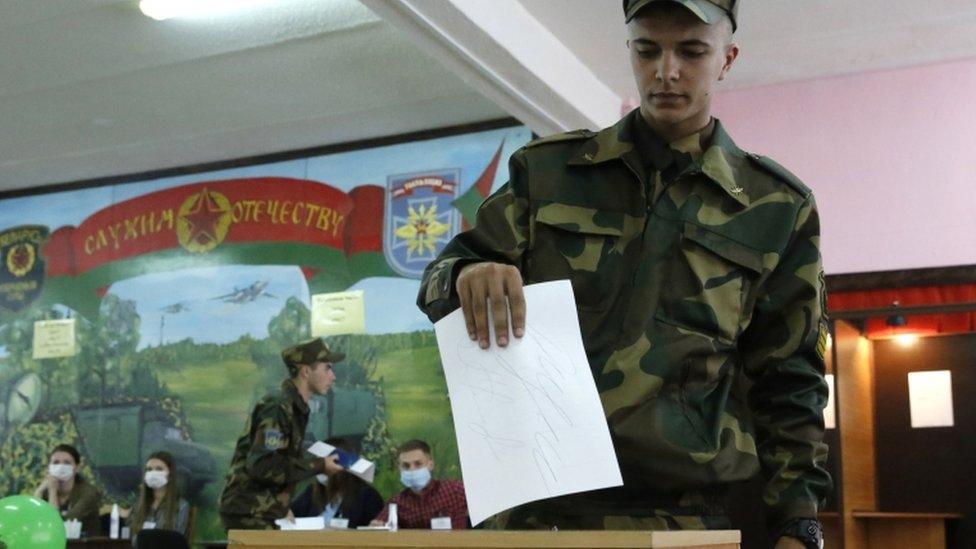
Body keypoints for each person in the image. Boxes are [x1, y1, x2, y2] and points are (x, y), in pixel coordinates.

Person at [417, 1, 831, 547]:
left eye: (691, 50)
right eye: (647, 49)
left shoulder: (775, 207)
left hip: (681, 515)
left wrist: (799, 522)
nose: (666, 71)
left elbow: (790, 379)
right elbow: (438, 281)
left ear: (726, 59)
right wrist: (468, 272)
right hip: (535, 511)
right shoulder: (547, 173)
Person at [219, 337, 346, 530]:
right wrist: (320, 465)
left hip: (263, 511)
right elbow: (263, 465)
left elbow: (280, 458)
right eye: (327, 368)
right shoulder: (279, 407)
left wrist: (281, 507)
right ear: (305, 371)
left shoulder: (295, 407)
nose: (333, 376)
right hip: (250, 512)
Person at [370, 439, 468, 530]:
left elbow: (482, 503)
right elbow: (377, 528)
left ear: (430, 465)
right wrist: (376, 527)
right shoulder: (397, 503)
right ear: (399, 469)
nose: (412, 469)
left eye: (418, 464)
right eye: (406, 466)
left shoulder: (455, 490)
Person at [289, 437, 384, 528]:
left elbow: (376, 530)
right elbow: (291, 513)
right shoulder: (312, 492)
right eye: (319, 463)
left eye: (325, 464)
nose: (320, 468)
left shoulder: (367, 495)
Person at [33, 444, 102, 536]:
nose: (61, 466)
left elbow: (60, 527)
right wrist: (39, 492)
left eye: (67, 463)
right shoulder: (45, 491)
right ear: (49, 468)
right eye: (56, 462)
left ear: (77, 468)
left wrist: (53, 492)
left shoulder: (89, 494)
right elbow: (33, 521)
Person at [129, 451, 190, 537]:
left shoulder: (181, 506)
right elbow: (134, 538)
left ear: (170, 473)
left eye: (159, 469)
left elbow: (176, 542)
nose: (153, 473)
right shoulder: (139, 504)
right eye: (149, 469)